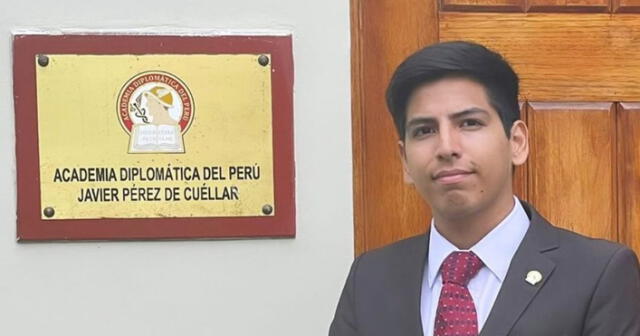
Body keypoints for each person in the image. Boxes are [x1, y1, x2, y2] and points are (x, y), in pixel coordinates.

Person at [329, 41, 640, 336]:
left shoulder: (598, 273)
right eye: (425, 131)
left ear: (517, 142)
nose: (446, 147)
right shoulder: (370, 278)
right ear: (405, 160)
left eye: (469, 123)